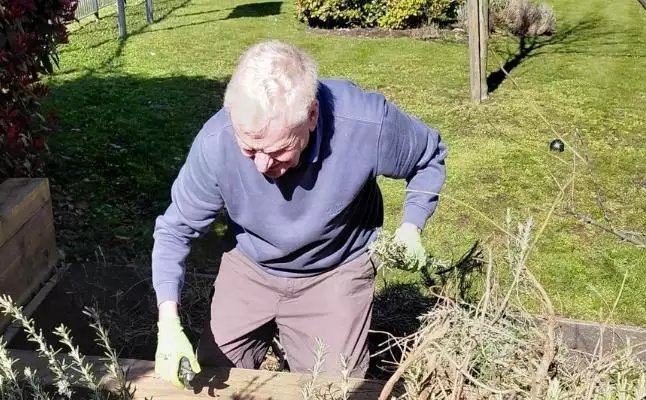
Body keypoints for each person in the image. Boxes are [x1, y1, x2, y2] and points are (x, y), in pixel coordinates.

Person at [151, 39, 448, 388]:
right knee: (208, 379)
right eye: (249, 148)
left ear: (310, 116)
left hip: (335, 269)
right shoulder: (217, 142)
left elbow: (429, 157)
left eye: (275, 150)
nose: (261, 164)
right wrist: (167, 322)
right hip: (250, 265)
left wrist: (411, 225)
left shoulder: (365, 123)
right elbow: (175, 231)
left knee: (333, 391)